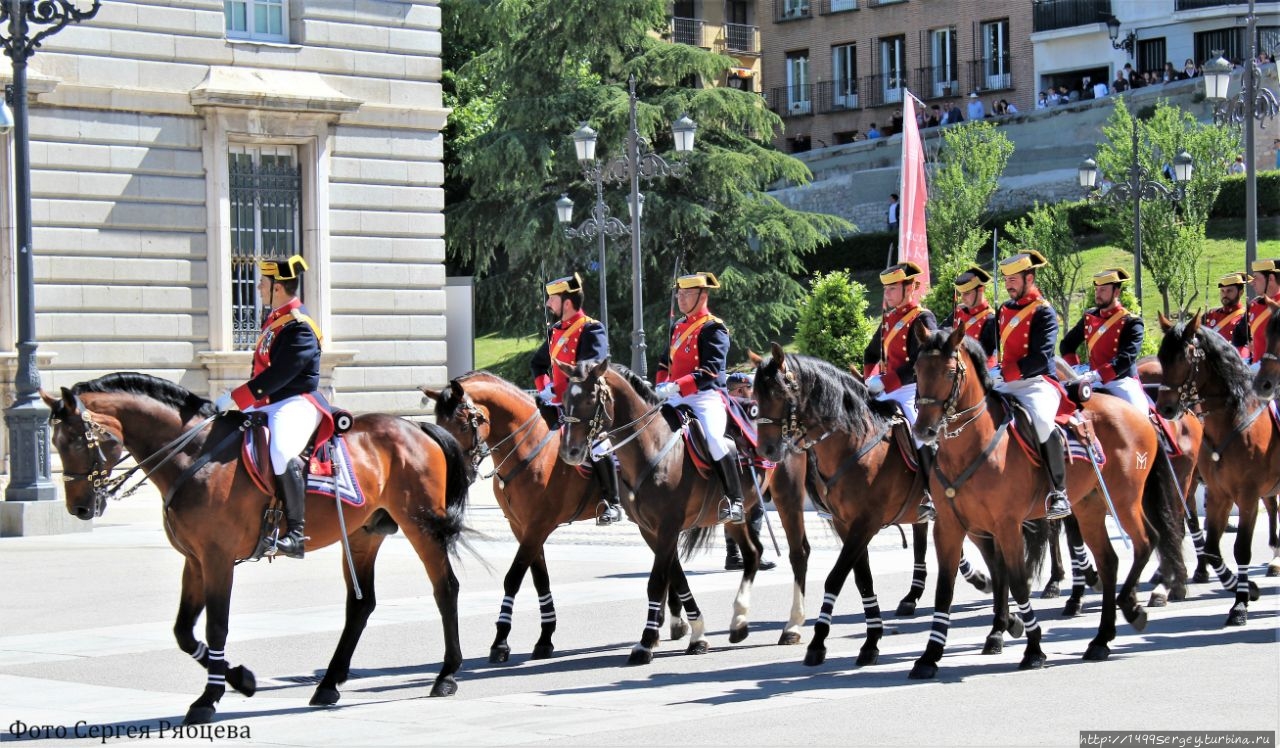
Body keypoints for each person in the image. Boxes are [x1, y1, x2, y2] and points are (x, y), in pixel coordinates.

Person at [214, 254, 323, 559]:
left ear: (277, 287)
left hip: (296, 402)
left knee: (280, 451)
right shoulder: (275, 319)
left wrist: (238, 398)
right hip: (269, 402)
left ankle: (297, 534)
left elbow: (278, 376)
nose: (259, 286)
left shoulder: (300, 326)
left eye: (263, 282)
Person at [529, 273, 620, 525]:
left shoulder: (591, 329)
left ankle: (612, 502)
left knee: (599, 445)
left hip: (584, 406)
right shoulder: (556, 331)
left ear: (566, 302)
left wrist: (558, 392)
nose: (548, 304)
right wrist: (545, 387)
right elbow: (537, 364)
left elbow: (587, 372)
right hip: (558, 402)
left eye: (552, 300)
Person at [655, 272, 745, 524]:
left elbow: (710, 371)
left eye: (687, 294)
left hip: (705, 397)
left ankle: (734, 500)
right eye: (679, 294)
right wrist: (662, 385)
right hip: (674, 395)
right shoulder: (677, 327)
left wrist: (675, 387)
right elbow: (664, 362)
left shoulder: (714, 328)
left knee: (715, 440)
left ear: (702, 296)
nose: (680, 299)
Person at [995, 250, 1071, 520]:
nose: (1009, 284)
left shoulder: (1044, 312)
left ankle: (1059, 491)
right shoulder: (1003, 310)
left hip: (1038, 382)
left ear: (1030, 277)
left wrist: (1009, 373)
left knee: (1041, 421)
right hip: (1006, 381)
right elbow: (995, 349)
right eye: (1006, 279)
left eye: (1014, 278)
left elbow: (1042, 357)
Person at [863, 262, 939, 523]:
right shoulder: (888, 318)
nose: (887, 294)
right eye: (886, 289)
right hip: (884, 387)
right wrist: (868, 378)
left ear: (910, 288)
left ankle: (931, 494)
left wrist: (887, 381)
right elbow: (870, 353)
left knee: (921, 434)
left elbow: (921, 360)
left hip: (909, 390)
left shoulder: (922, 318)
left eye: (893, 288)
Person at [1060, 268, 1147, 413]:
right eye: (1097, 290)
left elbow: (1126, 358)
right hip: (1091, 380)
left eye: (1103, 290)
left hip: (1120, 382)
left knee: (1141, 414)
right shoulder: (1089, 316)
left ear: (1116, 293)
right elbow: (1067, 345)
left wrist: (1097, 375)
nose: (1098, 294)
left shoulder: (1132, 322)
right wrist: (1074, 370)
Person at [722, 372, 776, 571]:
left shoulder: (724, 404)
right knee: (755, 507)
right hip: (744, 464)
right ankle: (753, 553)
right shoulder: (739, 406)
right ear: (739, 390)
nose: (752, 393)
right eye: (749, 389)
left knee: (734, 509)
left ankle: (733, 555)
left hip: (733, 463)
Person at [944, 265, 998, 368]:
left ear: (981, 289)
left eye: (967, 293)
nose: (963, 298)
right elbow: (939, 334)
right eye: (961, 294)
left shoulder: (991, 319)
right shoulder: (958, 313)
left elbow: (983, 358)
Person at [1234, 259, 1280, 366]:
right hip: (1258, 370)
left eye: (1256, 278)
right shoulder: (1254, 306)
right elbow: (1238, 338)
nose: (1252, 283)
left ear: (1271, 279)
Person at [1205, 271, 1251, 358]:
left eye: (1229, 291)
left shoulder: (1245, 317)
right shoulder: (1210, 314)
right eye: (1222, 291)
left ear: (1240, 292)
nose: (1225, 295)